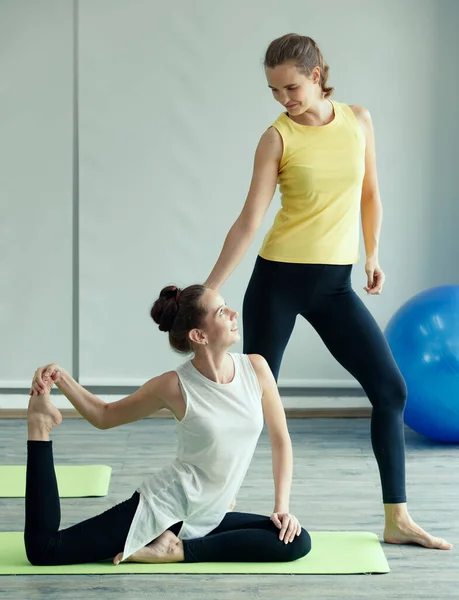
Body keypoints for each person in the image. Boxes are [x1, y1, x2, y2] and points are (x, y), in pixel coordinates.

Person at [203, 33, 452, 550]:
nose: (284, 100)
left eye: (291, 87)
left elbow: (370, 192)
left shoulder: (358, 120)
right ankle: (213, 510)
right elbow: (250, 220)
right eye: (274, 90)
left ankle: (397, 518)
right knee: (249, 404)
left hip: (334, 285)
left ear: (317, 75)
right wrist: (210, 289)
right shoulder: (276, 138)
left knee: (391, 390)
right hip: (278, 283)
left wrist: (373, 253)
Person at [25, 284, 310, 567]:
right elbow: (104, 415)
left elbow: (281, 441)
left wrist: (281, 508)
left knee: (294, 539)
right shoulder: (174, 385)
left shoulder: (256, 369)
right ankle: (39, 426)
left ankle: (177, 549)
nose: (234, 313)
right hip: (166, 508)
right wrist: (61, 378)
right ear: (199, 335)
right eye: (222, 311)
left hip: (210, 512)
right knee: (45, 549)